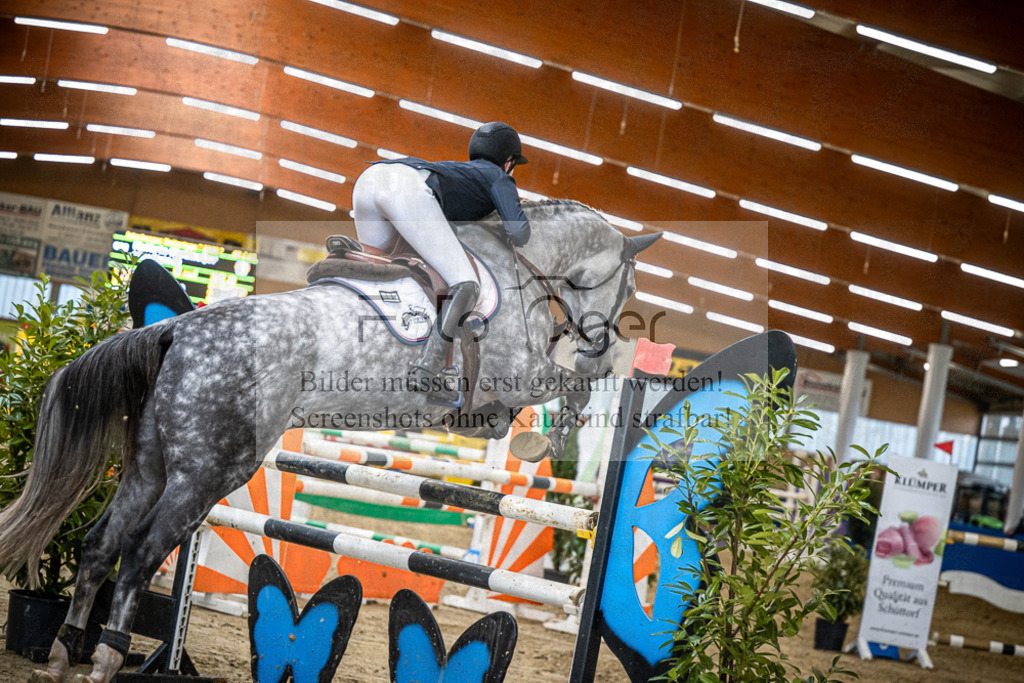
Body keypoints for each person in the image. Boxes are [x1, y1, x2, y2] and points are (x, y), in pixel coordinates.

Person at [351, 121, 532, 405]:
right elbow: (519, 233)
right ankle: (428, 369)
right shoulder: (498, 176)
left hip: (369, 179)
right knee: (467, 284)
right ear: (508, 162)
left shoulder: (462, 172)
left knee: (380, 268)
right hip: (405, 188)